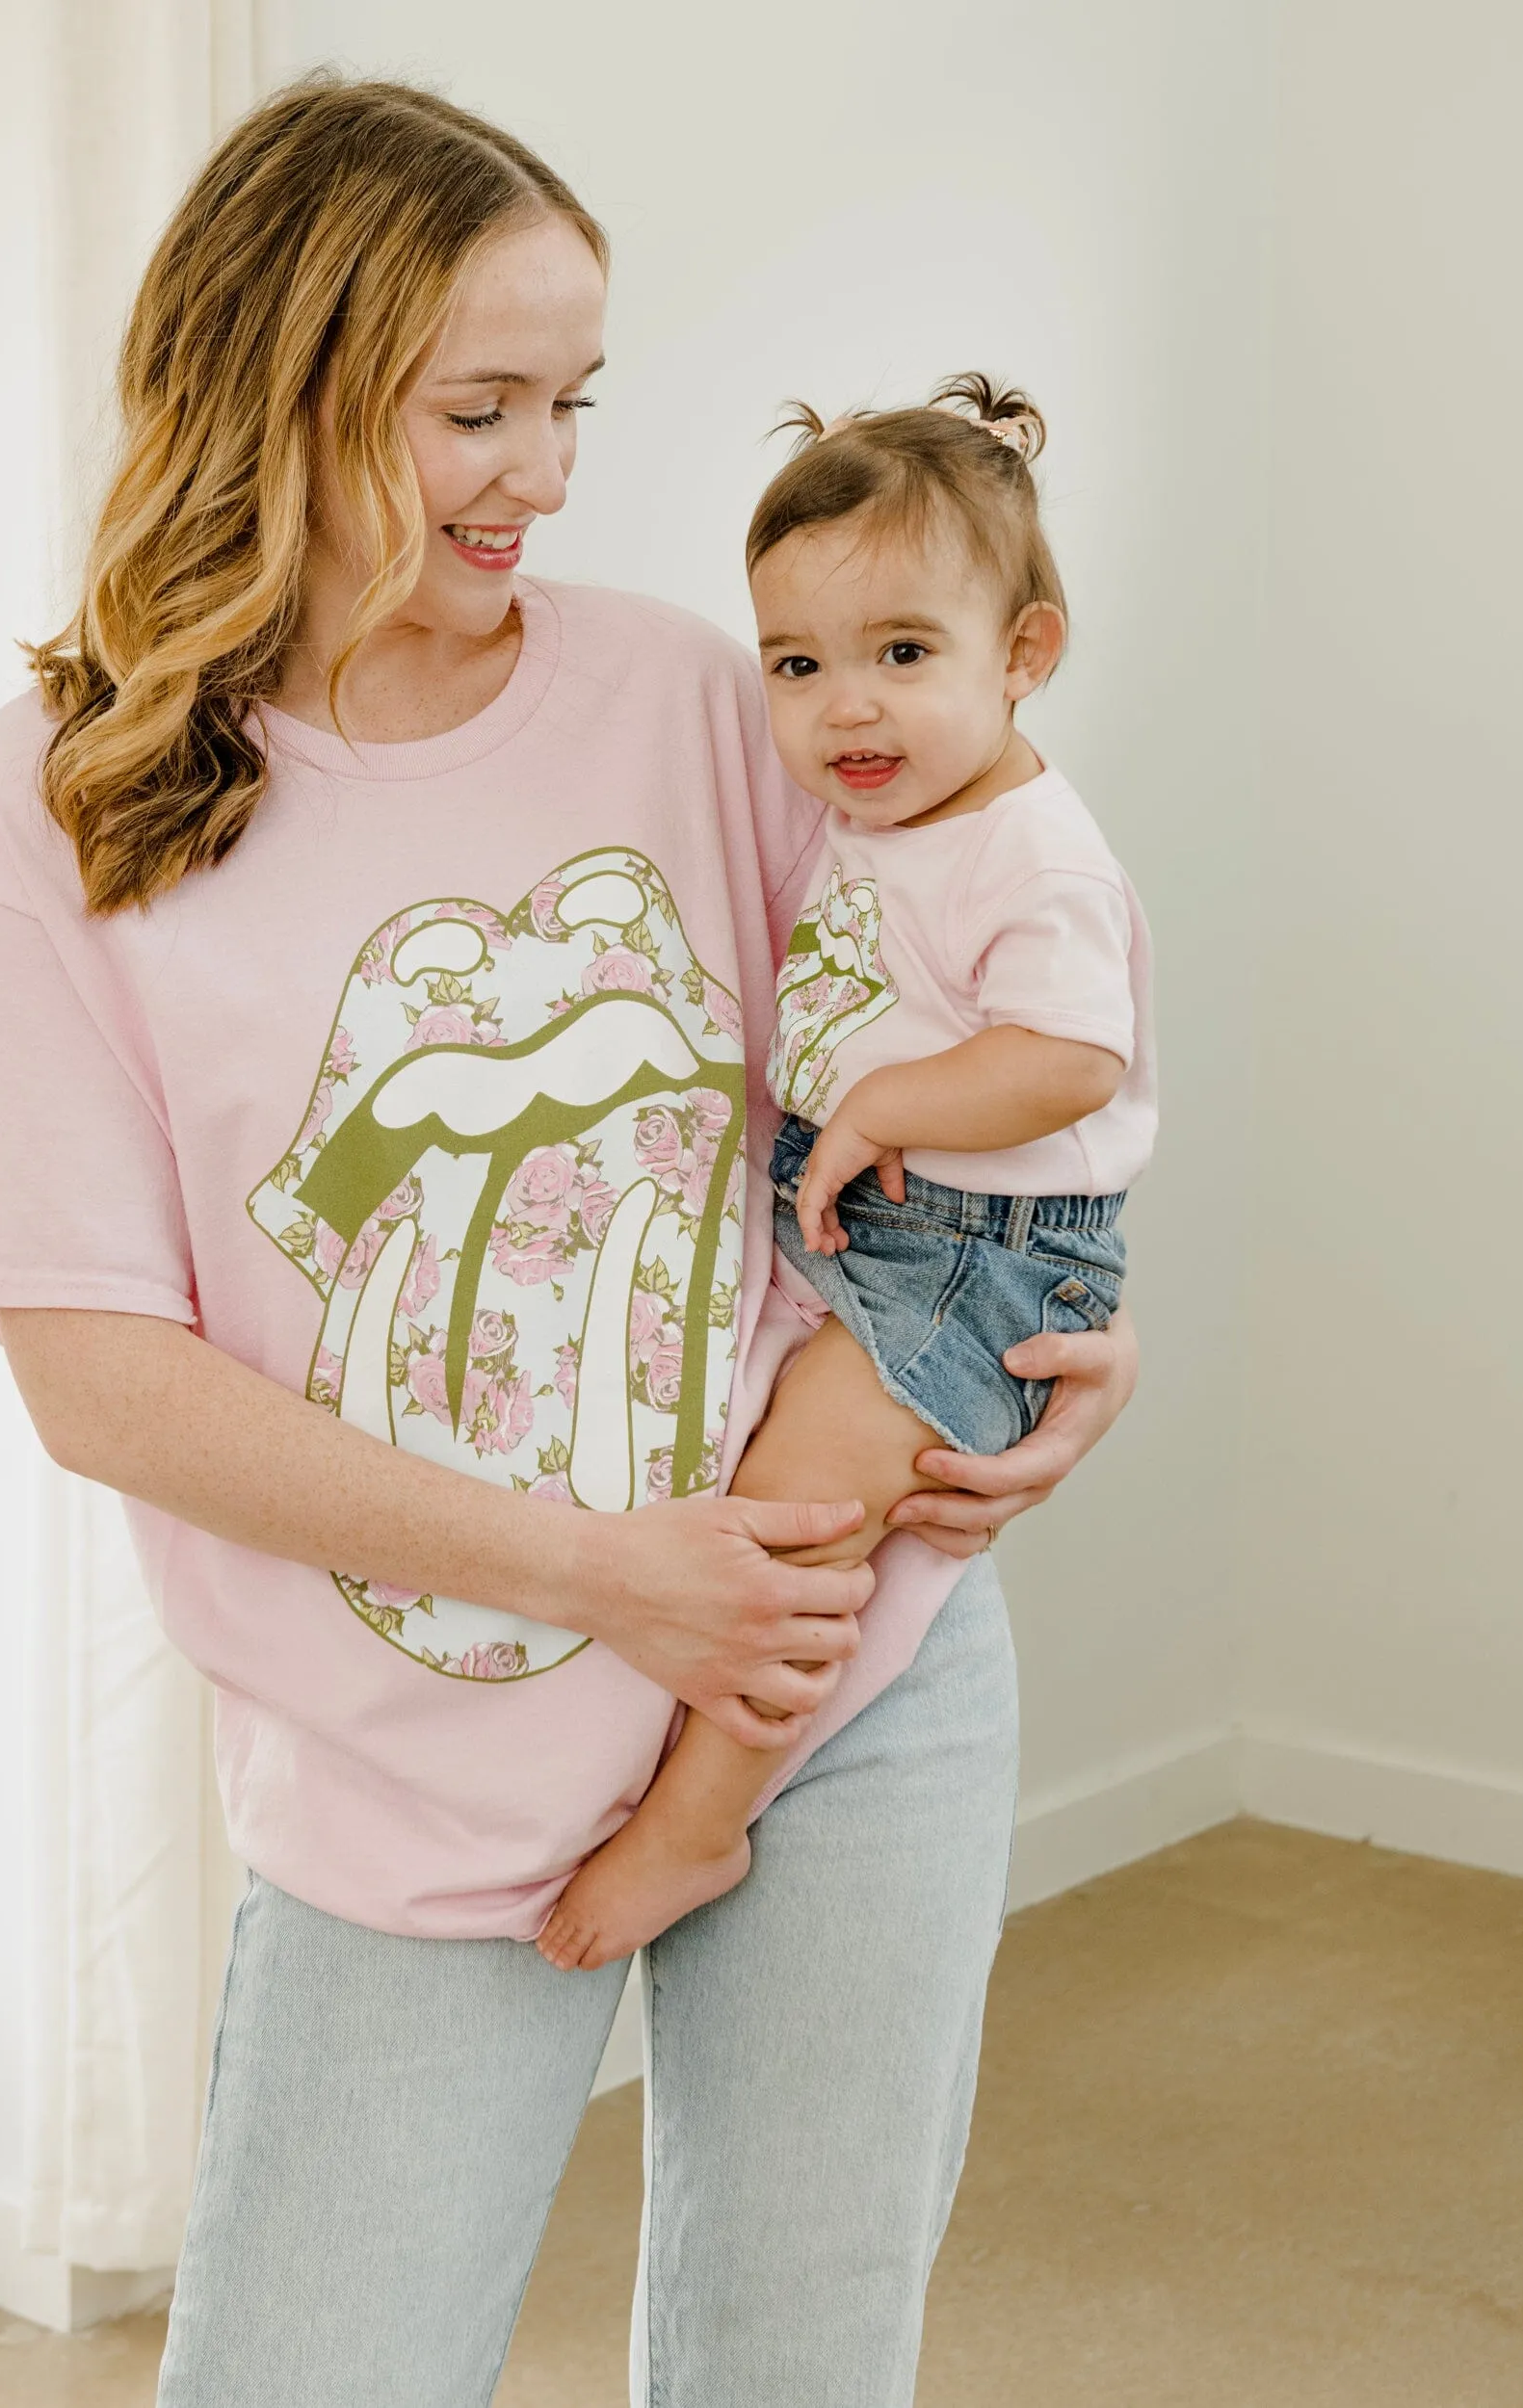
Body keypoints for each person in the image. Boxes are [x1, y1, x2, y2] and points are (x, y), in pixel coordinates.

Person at [0, 77, 1137, 2408]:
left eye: (571, 403)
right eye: (481, 407)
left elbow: (965, 1032)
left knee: (799, 2357)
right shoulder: (59, 808)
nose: (545, 474)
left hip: (830, 1679)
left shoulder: (689, 688)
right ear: (286, 380)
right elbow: (99, 1380)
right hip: (417, 1762)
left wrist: (1070, 1334)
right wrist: (593, 1570)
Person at [540, 376, 1153, 1973]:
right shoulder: (884, 814)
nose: (845, 711)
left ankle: (696, 1824)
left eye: (901, 655)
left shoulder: (1031, 851)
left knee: (792, 1525)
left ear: (1024, 656)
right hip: (865, 1203)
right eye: (798, 667)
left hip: (972, 1250)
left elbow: (1073, 1056)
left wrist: (887, 1103)